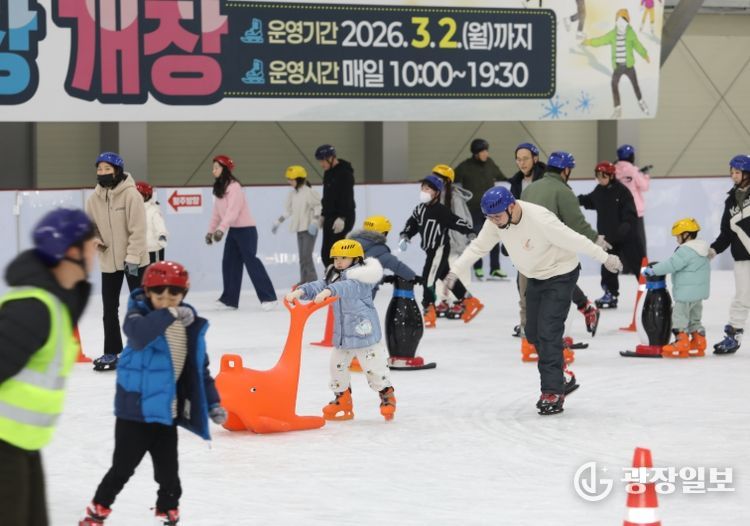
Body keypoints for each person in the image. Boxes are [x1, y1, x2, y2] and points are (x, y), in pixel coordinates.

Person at [446, 187, 622, 415]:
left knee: (549, 331)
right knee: (532, 332)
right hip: (535, 277)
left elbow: (575, 240)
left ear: (511, 207)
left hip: (561, 274)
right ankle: (561, 375)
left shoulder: (540, 219)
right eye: (489, 217)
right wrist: (456, 271)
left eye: (497, 216)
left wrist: (606, 258)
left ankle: (553, 391)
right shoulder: (495, 222)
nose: (494, 222)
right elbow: (479, 247)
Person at [79, 261, 227, 526]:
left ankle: (168, 510)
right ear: (147, 292)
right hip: (134, 414)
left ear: (184, 293)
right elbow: (138, 336)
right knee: (123, 468)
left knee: (169, 473)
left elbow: (199, 371)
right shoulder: (137, 316)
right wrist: (170, 315)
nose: (166, 300)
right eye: (159, 294)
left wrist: (213, 403)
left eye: (174, 294)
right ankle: (97, 511)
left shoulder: (189, 326)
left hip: (166, 414)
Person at [0, 208, 95, 526]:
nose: (96, 252)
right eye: (91, 245)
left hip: (23, 442)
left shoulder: (55, 303)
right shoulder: (33, 307)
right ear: (72, 252)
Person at [285, 240, 397, 421]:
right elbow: (320, 286)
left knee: (373, 369)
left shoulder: (363, 277)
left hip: (364, 335)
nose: (338, 261)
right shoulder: (334, 276)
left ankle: (387, 395)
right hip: (343, 335)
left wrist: (330, 291)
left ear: (356, 258)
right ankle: (342, 399)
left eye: (344, 258)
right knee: (336, 367)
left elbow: (348, 288)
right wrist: (301, 291)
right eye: (336, 258)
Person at [521, 151, 603, 337]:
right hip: (552, 248)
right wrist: (596, 239)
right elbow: (577, 223)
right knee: (558, 283)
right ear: (565, 170)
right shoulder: (563, 191)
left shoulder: (530, 189)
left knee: (536, 286)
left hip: (528, 248)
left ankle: (535, 329)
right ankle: (580, 312)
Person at [86, 152, 148, 371]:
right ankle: (112, 352)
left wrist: (132, 257)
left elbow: (139, 230)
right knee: (109, 309)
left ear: (117, 171)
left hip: (134, 260)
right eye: (99, 169)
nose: (102, 172)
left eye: (107, 169)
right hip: (109, 262)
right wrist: (96, 240)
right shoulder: (93, 199)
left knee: (140, 308)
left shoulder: (131, 195)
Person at [399, 175, 482, 327]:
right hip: (429, 250)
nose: (424, 192)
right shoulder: (419, 209)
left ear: (437, 193)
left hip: (439, 249)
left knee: (428, 279)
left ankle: (428, 309)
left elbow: (456, 221)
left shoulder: (441, 211)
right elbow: (412, 224)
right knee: (446, 277)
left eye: (428, 189)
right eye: (422, 188)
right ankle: (470, 301)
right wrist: (405, 235)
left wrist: (469, 231)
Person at [206, 154, 278, 310]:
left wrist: (221, 229)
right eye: (213, 168)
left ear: (225, 169)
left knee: (251, 263)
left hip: (246, 231)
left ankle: (269, 298)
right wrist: (211, 231)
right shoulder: (219, 189)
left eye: (216, 168)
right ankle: (229, 300)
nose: (213, 170)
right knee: (229, 263)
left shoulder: (234, 187)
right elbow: (216, 213)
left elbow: (233, 211)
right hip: (233, 231)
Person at [578, 161, 644, 309]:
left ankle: (649, 291)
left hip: (627, 237)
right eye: (598, 176)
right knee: (608, 267)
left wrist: (626, 226)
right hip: (609, 239)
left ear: (611, 176)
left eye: (603, 176)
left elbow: (630, 213)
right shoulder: (599, 191)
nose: (600, 179)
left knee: (638, 265)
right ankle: (610, 293)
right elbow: (589, 200)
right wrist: (573, 200)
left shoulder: (622, 191)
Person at [643, 218, 710, 357]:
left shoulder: (685, 250)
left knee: (679, 317)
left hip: (685, 294)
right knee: (694, 318)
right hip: (699, 294)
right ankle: (699, 341)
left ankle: (682, 342)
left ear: (686, 234)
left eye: (678, 236)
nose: (677, 239)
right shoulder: (702, 249)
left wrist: (653, 270)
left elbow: (671, 265)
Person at [710, 154, 750, 354]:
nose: (733, 176)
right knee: (742, 298)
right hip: (743, 259)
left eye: (737, 172)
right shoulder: (731, 201)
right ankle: (734, 336)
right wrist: (714, 249)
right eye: (732, 172)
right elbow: (726, 232)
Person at [454, 138, 507, 279]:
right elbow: (452, 178)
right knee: (477, 239)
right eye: (483, 152)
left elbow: (502, 177)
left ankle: (495, 268)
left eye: (486, 151)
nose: (486, 154)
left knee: (495, 237)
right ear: (475, 153)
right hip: (474, 209)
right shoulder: (465, 166)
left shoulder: (490, 163)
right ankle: (478, 267)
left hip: (492, 208)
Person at [582, 9, 651, 119]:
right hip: (618, 67)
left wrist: (644, 54)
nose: (621, 23)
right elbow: (601, 40)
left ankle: (641, 102)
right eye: (619, 20)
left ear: (628, 21)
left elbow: (637, 45)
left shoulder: (631, 33)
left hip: (629, 66)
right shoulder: (612, 34)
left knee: (635, 84)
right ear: (616, 21)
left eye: (624, 20)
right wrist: (589, 42)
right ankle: (617, 108)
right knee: (614, 84)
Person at [508, 143, 546, 337]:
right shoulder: (515, 183)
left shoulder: (546, 180)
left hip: (545, 240)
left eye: (525, 159)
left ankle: (547, 326)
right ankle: (527, 326)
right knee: (523, 286)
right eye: (518, 159)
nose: (521, 163)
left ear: (535, 159)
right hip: (523, 242)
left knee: (551, 284)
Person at [432, 164, 477, 316]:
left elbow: (462, 220)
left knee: (458, 270)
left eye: (438, 178)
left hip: (456, 244)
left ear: (447, 181)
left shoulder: (455, 198)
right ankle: (443, 300)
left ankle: (461, 301)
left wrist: (460, 244)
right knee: (440, 272)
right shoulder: (434, 197)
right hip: (440, 244)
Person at [271, 165, 322, 285]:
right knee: (302, 258)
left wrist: (315, 222)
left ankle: (313, 283)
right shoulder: (292, 194)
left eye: (291, 179)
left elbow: (318, 207)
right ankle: (304, 281)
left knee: (307, 257)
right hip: (300, 229)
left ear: (299, 179)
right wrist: (278, 222)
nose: (289, 181)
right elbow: (288, 211)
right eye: (288, 179)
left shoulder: (309, 192)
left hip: (309, 229)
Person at [348, 215, 418, 297]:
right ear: (383, 233)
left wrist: (383, 278)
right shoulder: (380, 251)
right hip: (364, 295)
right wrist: (414, 277)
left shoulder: (349, 244)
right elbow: (397, 266)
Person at [315, 144, 356, 268]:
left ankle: (342, 277)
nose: (321, 164)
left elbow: (347, 197)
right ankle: (332, 277)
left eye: (322, 160)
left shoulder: (345, 173)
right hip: (329, 216)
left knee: (336, 252)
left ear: (331, 158)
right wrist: (323, 215)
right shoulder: (328, 173)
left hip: (343, 217)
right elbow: (327, 196)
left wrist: (342, 217)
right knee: (325, 254)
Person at [615, 144, 650, 259]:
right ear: (630, 156)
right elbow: (644, 186)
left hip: (618, 212)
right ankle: (642, 267)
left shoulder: (614, 169)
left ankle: (623, 265)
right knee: (639, 242)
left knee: (622, 240)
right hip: (635, 212)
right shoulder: (633, 170)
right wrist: (645, 175)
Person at [135, 181, 169, 263]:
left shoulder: (153, 210)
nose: (136, 198)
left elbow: (160, 224)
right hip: (140, 250)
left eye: (139, 195)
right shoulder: (134, 210)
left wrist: (162, 234)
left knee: (155, 269)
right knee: (144, 270)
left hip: (154, 249)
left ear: (146, 196)